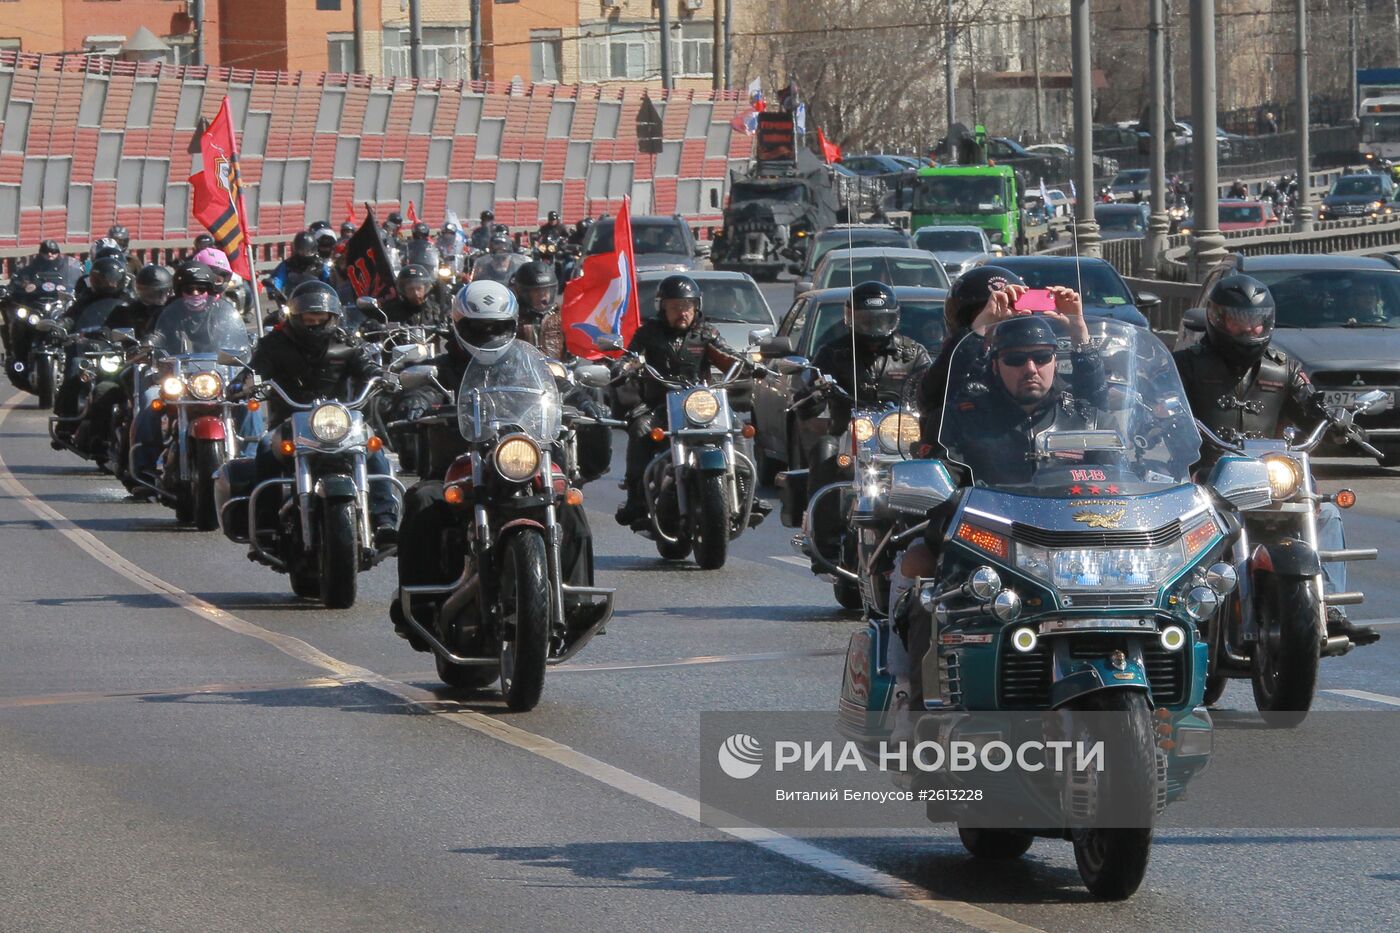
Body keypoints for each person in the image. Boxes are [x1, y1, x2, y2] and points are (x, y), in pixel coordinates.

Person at [1173, 274, 1377, 645]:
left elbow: (1310, 410)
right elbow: (1158, 404)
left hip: (1269, 474)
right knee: (1177, 520)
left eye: (1255, 319)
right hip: (1206, 474)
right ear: (1217, 319)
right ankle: (1178, 602)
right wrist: (1153, 420)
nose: (1247, 327)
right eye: (1237, 318)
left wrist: (1338, 427)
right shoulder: (1185, 365)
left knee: (1325, 510)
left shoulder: (1282, 367)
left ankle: (1329, 608)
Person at [390, 280, 595, 642]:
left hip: (524, 460)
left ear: (512, 324)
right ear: (458, 325)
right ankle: (418, 605)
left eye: (497, 326)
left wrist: (584, 397)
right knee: (422, 500)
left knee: (570, 502)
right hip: (458, 465)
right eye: (479, 327)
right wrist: (415, 401)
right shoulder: (442, 367)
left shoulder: (529, 363)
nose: (488, 334)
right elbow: (419, 385)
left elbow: (559, 383)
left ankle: (576, 600)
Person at [244, 280, 400, 545]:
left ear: (332, 317)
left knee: (373, 449)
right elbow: (254, 371)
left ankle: (384, 519)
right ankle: (266, 523)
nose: (313, 322)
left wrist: (383, 377)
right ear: (295, 316)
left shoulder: (346, 341)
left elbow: (366, 366)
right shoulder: (274, 344)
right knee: (265, 448)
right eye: (307, 317)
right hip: (290, 421)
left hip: (340, 421)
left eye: (320, 317)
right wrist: (246, 383)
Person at [615, 274, 766, 527]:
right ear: (662, 308)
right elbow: (631, 355)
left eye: (686, 307)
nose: (681, 313)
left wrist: (749, 363)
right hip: (659, 403)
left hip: (700, 402)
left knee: (737, 427)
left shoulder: (706, 333)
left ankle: (746, 493)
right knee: (640, 429)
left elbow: (726, 354)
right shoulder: (649, 333)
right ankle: (636, 500)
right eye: (675, 307)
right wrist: (622, 366)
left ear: (696, 307)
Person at [794, 281, 929, 557]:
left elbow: (935, 388)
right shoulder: (833, 353)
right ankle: (824, 538)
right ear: (851, 318)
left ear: (894, 318)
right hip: (848, 435)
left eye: (881, 320)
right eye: (866, 320)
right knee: (824, 450)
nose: (874, 327)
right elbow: (804, 398)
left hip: (900, 439)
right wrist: (815, 394)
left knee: (938, 461)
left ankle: (934, 534)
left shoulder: (913, 354)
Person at [511, 260, 564, 359]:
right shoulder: (512, 318)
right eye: (537, 292)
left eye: (547, 291)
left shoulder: (560, 315)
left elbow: (574, 349)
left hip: (556, 371)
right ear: (524, 293)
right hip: (522, 371)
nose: (543, 297)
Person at [266, 231, 329, 296]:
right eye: (301, 251)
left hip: (318, 300)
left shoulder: (320, 265)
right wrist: (273, 289)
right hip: (294, 301)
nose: (304, 254)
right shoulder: (288, 264)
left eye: (307, 251)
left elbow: (329, 280)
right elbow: (278, 278)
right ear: (296, 250)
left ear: (313, 249)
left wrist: (334, 291)